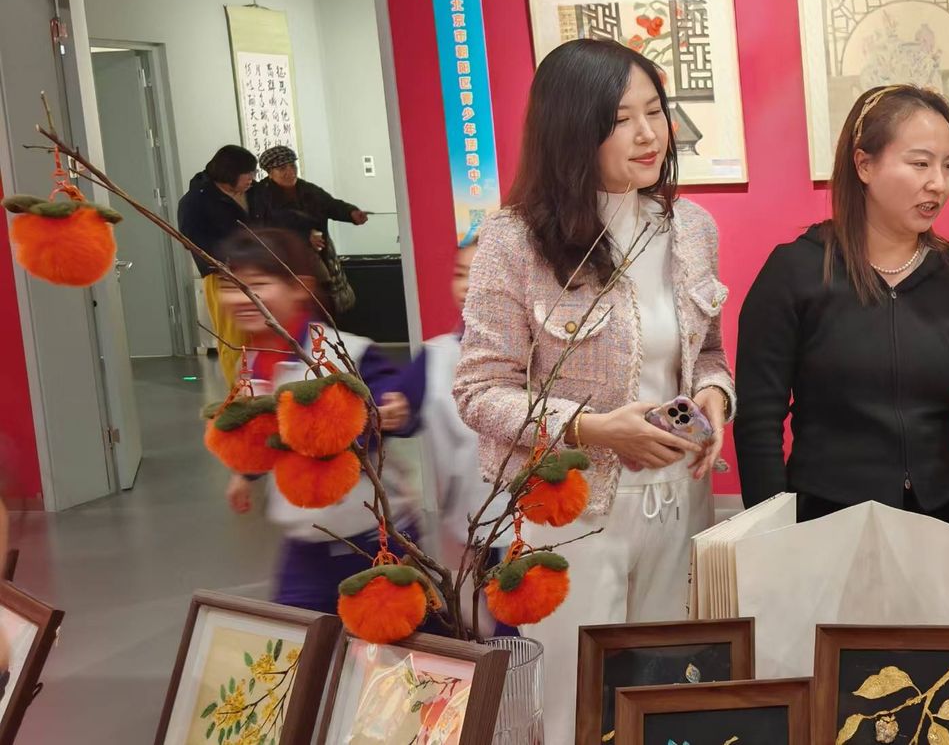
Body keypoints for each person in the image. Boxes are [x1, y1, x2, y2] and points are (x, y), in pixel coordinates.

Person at [454, 38, 733, 745]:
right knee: (578, 702)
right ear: (573, 131)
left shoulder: (690, 229)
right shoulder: (514, 242)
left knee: (670, 691)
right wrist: (593, 428)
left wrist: (715, 399)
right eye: (620, 119)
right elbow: (480, 391)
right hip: (572, 514)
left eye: (655, 112)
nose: (648, 134)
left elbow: (709, 354)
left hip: (680, 501)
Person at [735, 85, 949, 531]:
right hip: (827, 519)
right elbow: (758, 419)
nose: (939, 183)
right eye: (920, 164)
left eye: (948, 165)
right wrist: (769, 531)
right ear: (864, 164)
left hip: (943, 517)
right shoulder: (797, 270)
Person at [215, 229, 416, 613]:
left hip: (373, 536)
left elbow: (386, 401)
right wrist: (247, 474)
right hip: (306, 539)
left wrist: (390, 411)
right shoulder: (252, 362)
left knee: (395, 637)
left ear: (299, 288)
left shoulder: (347, 352)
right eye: (230, 286)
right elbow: (269, 433)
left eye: (257, 284)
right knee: (296, 634)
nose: (240, 298)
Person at [397, 241, 514, 634]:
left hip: (528, 525)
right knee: (478, 627)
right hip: (465, 528)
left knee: (525, 630)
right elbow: (397, 413)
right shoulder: (435, 357)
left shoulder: (540, 355)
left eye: (482, 274)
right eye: (461, 274)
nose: (467, 284)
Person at [248, 145, 370, 312]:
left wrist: (351, 213)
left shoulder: (307, 189)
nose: (290, 172)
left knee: (324, 300)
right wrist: (304, 235)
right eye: (282, 168)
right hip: (284, 262)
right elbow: (270, 225)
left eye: (293, 166)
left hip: (318, 256)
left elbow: (330, 205)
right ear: (269, 172)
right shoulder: (261, 195)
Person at [176, 145, 259, 385]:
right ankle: (239, 393)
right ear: (230, 172)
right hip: (223, 275)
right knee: (235, 338)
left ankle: (263, 390)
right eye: (247, 173)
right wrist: (224, 258)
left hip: (257, 272)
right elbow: (191, 239)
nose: (252, 178)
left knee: (262, 335)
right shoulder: (197, 199)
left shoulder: (253, 194)